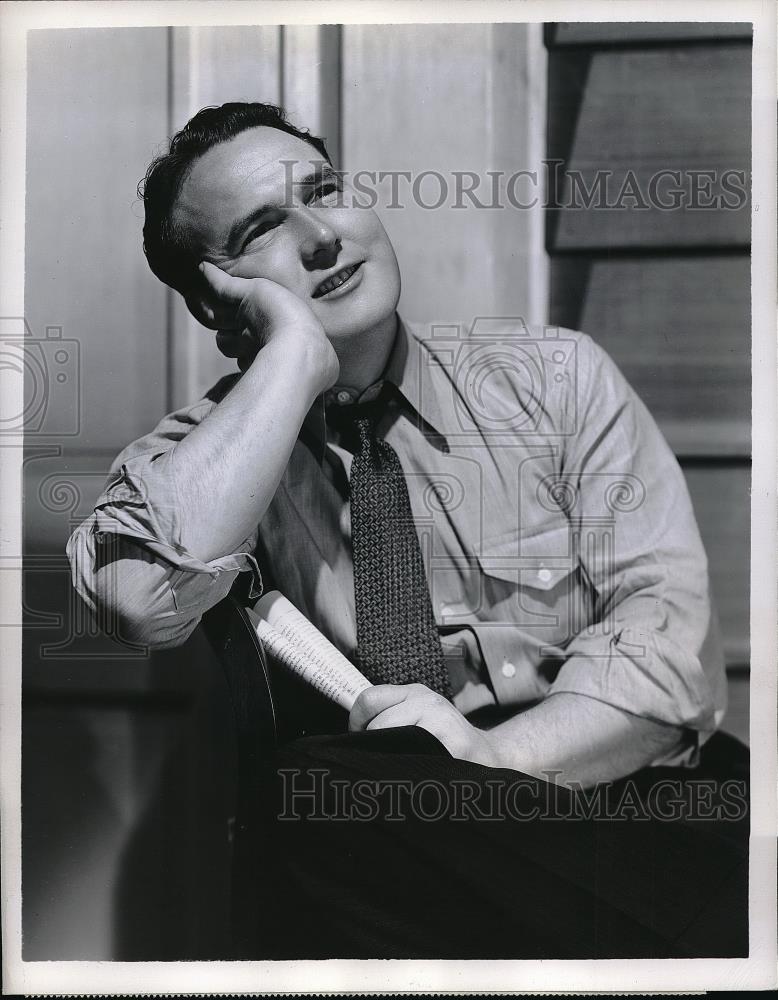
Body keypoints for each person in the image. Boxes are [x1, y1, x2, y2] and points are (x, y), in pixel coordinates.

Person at [66, 102, 747, 959]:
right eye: (263, 229)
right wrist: (294, 362)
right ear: (215, 302)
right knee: (320, 801)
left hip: (623, 810)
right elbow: (134, 602)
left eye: (327, 190)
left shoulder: (555, 380)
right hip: (401, 850)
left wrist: (472, 766)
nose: (322, 235)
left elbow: (671, 656)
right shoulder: (204, 460)